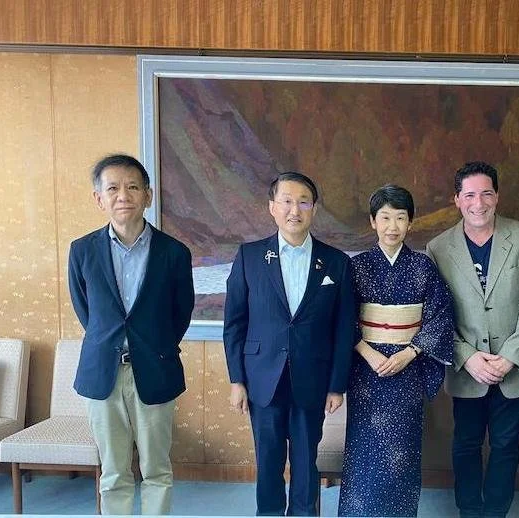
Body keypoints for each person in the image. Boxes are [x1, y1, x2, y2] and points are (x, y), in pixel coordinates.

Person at [68, 154, 195, 515]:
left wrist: (152, 347)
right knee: (113, 472)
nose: (123, 195)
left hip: (155, 369)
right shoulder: (82, 250)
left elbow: (180, 312)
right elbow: (87, 312)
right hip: (102, 374)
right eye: (113, 188)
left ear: (148, 195)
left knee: (156, 469)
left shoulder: (174, 252)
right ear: (99, 198)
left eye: (132, 187)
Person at [223, 171, 356, 516]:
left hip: (312, 380)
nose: (294, 210)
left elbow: (343, 330)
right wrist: (236, 380)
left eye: (303, 202)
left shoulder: (337, 262)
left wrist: (337, 385)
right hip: (261, 379)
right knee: (267, 463)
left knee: (305, 463)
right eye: (286, 201)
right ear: (272, 207)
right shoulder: (250, 256)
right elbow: (234, 323)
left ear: (314, 209)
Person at [426, 161, 519, 518]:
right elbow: (435, 312)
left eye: (485, 193)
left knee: (506, 445)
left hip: (516, 367)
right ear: (457, 200)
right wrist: (467, 357)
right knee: (465, 444)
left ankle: (496, 512)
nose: (477, 203)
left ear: (497, 196)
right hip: (468, 369)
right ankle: (469, 510)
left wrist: (510, 355)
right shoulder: (438, 247)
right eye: (469, 195)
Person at [338, 185, 454, 517]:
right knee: (364, 450)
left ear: (410, 222)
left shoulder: (423, 267)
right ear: (373, 221)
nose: (393, 226)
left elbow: (441, 315)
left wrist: (410, 352)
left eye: (400, 218)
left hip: (408, 371)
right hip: (366, 371)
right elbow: (343, 317)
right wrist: (369, 352)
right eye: (385, 217)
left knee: (402, 453)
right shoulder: (356, 267)